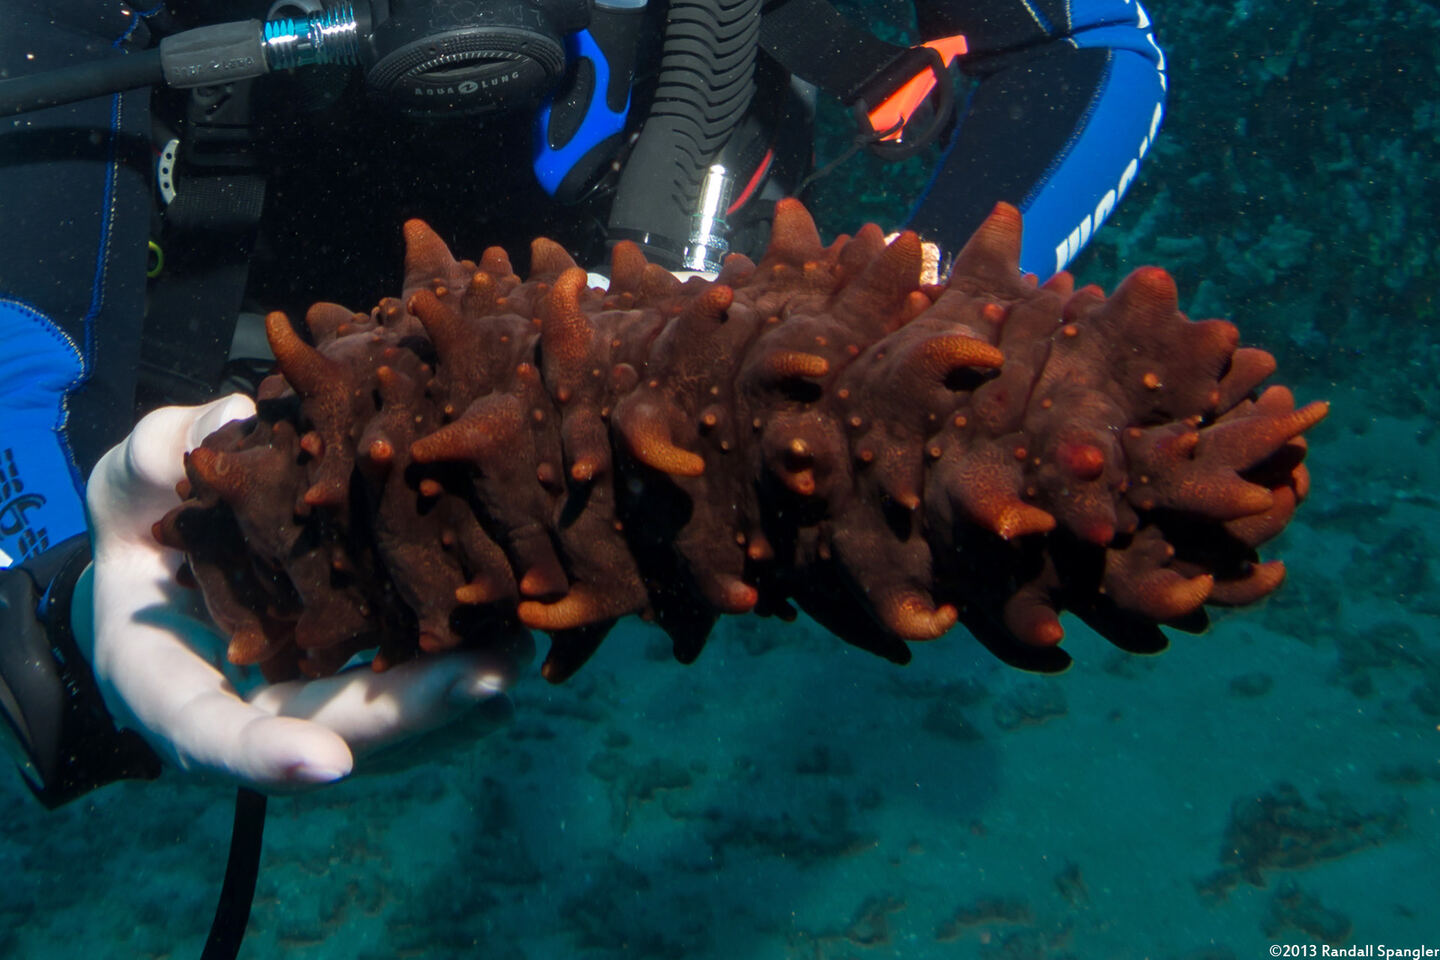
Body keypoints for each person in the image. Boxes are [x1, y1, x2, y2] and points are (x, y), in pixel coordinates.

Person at [0, 0, 1167, 808]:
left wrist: (906, 318)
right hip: (215, 337)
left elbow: (1075, 44)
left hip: (677, 250)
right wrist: (59, 594)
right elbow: (24, 362)